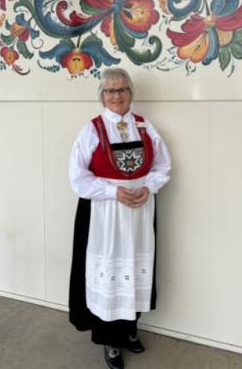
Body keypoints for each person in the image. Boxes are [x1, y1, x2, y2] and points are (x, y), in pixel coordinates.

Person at [68, 68, 172, 369]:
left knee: (133, 266)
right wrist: (113, 191)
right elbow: (78, 177)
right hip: (104, 212)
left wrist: (148, 187)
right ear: (102, 95)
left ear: (130, 93)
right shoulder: (92, 129)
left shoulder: (144, 126)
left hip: (139, 208)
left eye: (122, 89)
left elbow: (162, 166)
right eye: (110, 90)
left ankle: (128, 330)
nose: (117, 95)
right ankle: (108, 340)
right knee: (109, 270)